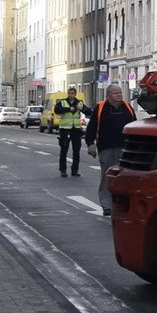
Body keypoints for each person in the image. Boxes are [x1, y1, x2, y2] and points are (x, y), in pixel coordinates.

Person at [85, 84, 136, 217]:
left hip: (126, 147)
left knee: (126, 177)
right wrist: (90, 144)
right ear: (108, 96)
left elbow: (135, 125)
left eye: (120, 92)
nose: (119, 95)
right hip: (106, 148)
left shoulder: (127, 107)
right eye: (116, 93)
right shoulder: (101, 108)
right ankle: (107, 205)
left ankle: (123, 204)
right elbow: (91, 127)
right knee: (108, 176)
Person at [55, 87, 92, 178]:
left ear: (75, 94)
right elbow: (57, 110)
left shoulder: (79, 103)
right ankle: (63, 170)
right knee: (64, 150)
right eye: (69, 93)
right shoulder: (62, 102)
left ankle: (75, 170)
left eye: (72, 93)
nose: (71, 95)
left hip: (76, 130)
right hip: (65, 129)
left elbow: (89, 112)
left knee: (76, 151)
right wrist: (68, 109)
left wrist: (82, 108)